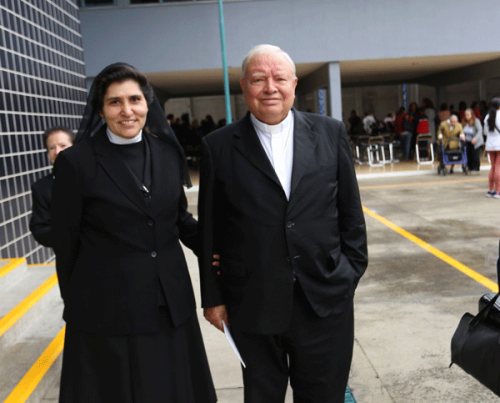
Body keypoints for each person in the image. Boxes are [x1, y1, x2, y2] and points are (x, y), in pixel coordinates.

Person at [198, 44, 368, 403]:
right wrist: (212, 298)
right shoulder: (218, 146)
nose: (269, 87)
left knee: (324, 396)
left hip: (323, 300)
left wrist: (349, 272)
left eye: (279, 78)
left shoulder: (330, 132)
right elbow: (210, 228)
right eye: (259, 79)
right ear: (244, 87)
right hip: (252, 304)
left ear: (293, 83)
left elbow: (350, 213)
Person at [50, 63, 216, 403]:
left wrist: (219, 248)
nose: (127, 111)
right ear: (100, 109)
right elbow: (66, 243)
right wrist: (78, 307)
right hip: (108, 312)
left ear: (147, 104)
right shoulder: (75, 163)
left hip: (170, 304)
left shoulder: (168, 153)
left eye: (135, 100)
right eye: (115, 102)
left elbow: (178, 217)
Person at [29, 126, 73, 248]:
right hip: (70, 258)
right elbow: (40, 229)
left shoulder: (95, 176)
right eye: (51, 148)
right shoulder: (41, 188)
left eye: (63, 146)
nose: (57, 151)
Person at [484, 97, 500, 197]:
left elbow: (485, 132)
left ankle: (491, 190)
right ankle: (498, 191)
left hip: (490, 144)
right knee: (498, 167)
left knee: (493, 167)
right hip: (499, 144)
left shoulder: (487, 117)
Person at [462, 108, 483, 173]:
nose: (466, 116)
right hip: (468, 141)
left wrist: (475, 138)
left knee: (475, 155)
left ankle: (476, 168)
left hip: (476, 141)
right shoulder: (464, 122)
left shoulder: (476, 121)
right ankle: (469, 168)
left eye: (468, 115)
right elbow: (462, 131)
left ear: (472, 115)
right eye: (465, 115)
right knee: (468, 155)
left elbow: (480, 130)